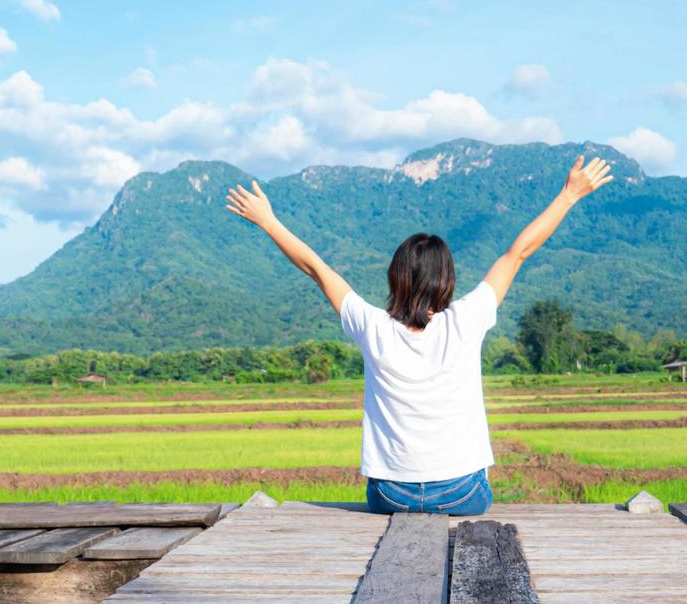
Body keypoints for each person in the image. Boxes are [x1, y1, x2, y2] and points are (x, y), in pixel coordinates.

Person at [225, 153, 615, 515]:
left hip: (391, 495)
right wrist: (569, 195)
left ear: (395, 277)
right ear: (446, 281)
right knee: (475, 482)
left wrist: (268, 221)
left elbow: (315, 268)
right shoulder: (467, 318)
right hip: (462, 492)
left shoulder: (372, 326)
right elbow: (518, 253)